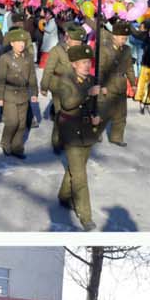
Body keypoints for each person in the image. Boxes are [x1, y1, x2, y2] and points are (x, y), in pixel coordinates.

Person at [52, 43, 101, 231]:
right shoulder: (65, 80)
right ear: (73, 64)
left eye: (88, 62)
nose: (86, 66)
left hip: (87, 131)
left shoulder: (90, 80)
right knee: (80, 176)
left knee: (75, 168)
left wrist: (97, 117)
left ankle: (64, 196)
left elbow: (92, 105)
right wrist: (87, 93)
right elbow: (68, 103)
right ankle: (85, 216)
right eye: (82, 62)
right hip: (71, 131)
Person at [0, 29, 38, 159]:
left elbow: (32, 76)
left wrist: (34, 92)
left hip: (23, 94)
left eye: (23, 42)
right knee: (12, 122)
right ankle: (5, 142)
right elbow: (0, 79)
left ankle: (17, 147)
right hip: (9, 94)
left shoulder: (28, 58)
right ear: (12, 43)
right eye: (18, 42)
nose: (21, 45)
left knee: (22, 124)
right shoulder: (5, 58)